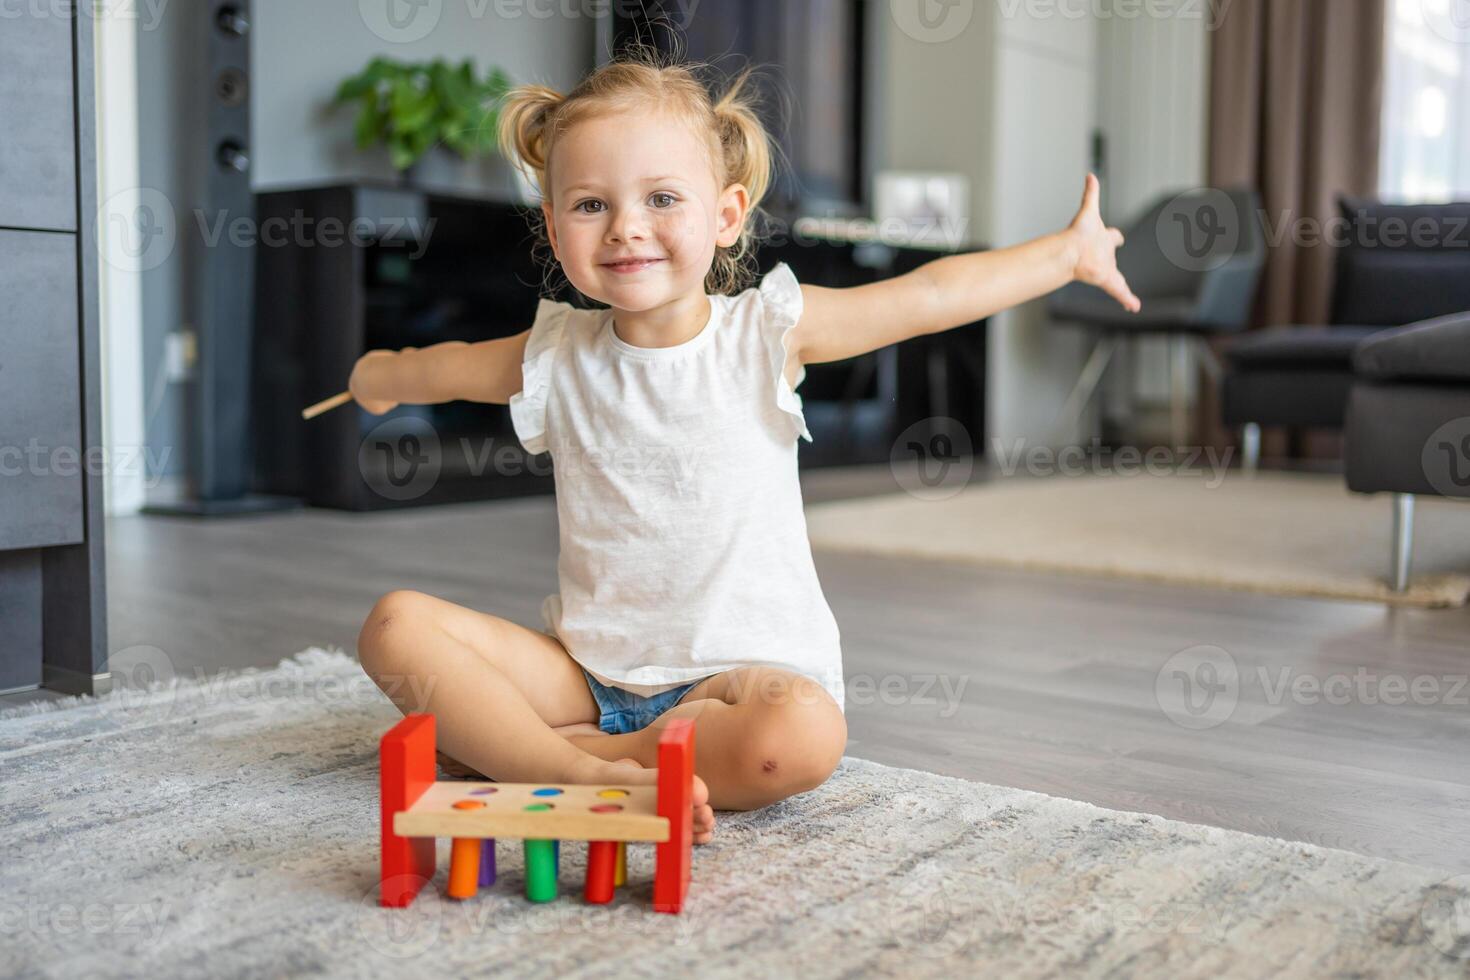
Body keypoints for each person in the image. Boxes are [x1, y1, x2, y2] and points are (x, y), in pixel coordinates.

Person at [353, 51, 1139, 844]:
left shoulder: (765, 333)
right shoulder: (556, 354)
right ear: (555, 228)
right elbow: (448, 366)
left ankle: (540, 755)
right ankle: (584, 770)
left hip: (737, 681)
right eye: (591, 204)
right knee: (394, 628)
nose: (626, 226)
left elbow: (927, 296)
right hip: (589, 676)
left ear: (726, 216)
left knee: (804, 735)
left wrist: (1064, 255)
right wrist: (381, 375)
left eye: (662, 198)